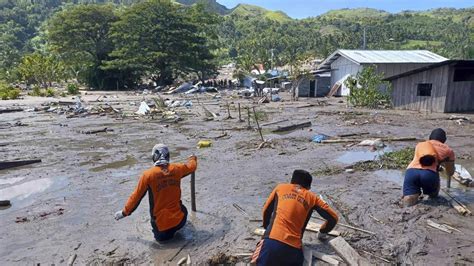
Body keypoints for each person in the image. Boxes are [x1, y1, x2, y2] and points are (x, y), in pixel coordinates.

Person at [251, 170, 339, 266]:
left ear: (291, 181)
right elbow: (333, 218)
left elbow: (266, 211)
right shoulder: (312, 198)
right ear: (309, 187)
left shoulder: (280, 188)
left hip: (271, 244)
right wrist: (322, 232)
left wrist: (267, 228)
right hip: (293, 250)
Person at [114, 144, 197, 242]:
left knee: (162, 241)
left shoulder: (147, 175)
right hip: (180, 221)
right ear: (168, 156)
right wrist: (192, 158)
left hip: (161, 229)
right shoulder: (177, 169)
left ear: (154, 156)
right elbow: (192, 166)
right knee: (183, 208)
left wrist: (124, 212)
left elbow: (136, 197)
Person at [402, 128, 455, 206]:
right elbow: (450, 171)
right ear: (444, 140)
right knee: (433, 196)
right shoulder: (448, 150)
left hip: (411, 172)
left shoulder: (420, 145)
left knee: (409, 197)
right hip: (429, 174)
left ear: (430, 138)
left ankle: (406, 208)